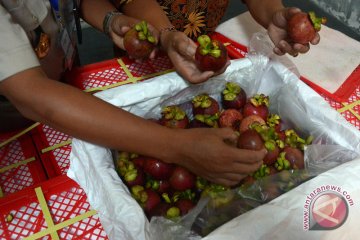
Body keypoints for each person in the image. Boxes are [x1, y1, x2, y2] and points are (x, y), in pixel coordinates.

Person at [0, 0, 318, 186]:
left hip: (60, 60)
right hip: (19, 102)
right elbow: (33, 95)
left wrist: (114, 20)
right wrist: (177, 147)